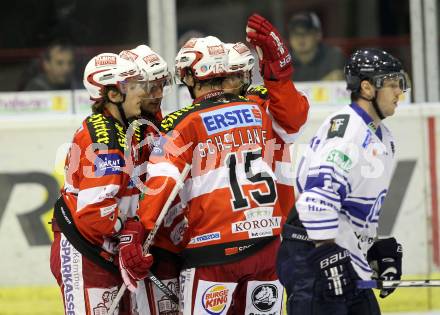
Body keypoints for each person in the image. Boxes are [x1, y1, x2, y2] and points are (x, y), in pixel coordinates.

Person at [138, 13, 308, 315]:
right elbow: (293, 122)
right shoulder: (259, 110)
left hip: (213, 251)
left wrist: (139, 234)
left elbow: (161, 182)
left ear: (190, 77)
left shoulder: (182, 121)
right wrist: (279, 71)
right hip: (266, 244)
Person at [276, 48, 408, 314]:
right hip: (310, 255)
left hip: (340, 253)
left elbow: (353, 208)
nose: (399, 93)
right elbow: (316, 200)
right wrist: (326, 255)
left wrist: (373, 247)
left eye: (400, 83)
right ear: (367, 88)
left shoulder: (383, 137)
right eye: (392, 84)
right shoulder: (348, 133)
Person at [49, 52, 156, 314]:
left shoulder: (122, 129)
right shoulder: (105, 138)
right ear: (113, 94)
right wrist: (128, 229)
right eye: (133, 86)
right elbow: (95, 215)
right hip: (85, 252)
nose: (141, 93)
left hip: (100, 251)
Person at [119, 44, 182, 315]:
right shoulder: (109, 131)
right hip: (111, 245)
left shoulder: (158, 125)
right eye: (149, 87)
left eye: (161, 85)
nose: (158, 94)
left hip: (143, 242)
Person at [224, 40, 309, 219]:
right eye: (222, 78)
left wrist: (278, 77)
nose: (226, 84)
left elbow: (294, 119)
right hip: (222, 231)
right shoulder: (194, 120)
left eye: (236, 77)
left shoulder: (263, 105)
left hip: (274, 227)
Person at [288, 11, 345, 82]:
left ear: (318, 35)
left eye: (306, 33)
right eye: (295, 34)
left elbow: (338, 81)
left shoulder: (333, 56)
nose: (300, 38)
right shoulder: (281, 63)